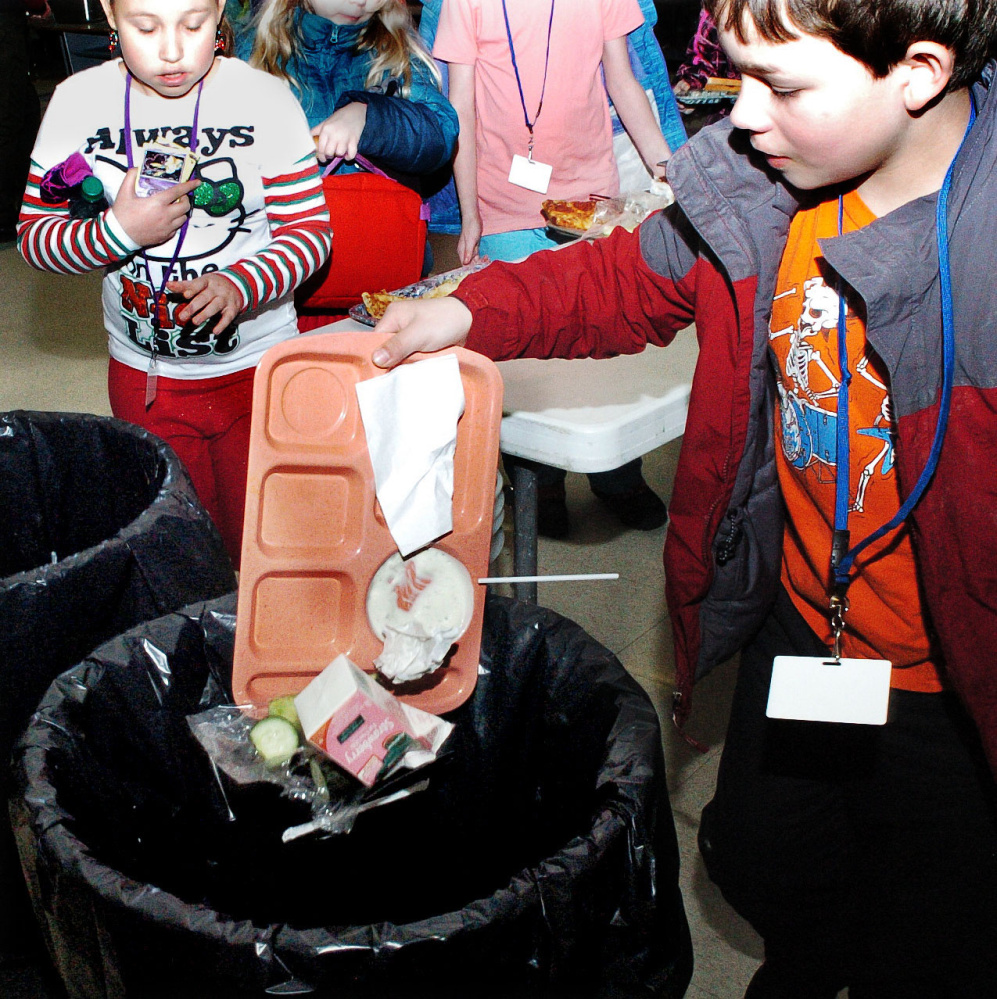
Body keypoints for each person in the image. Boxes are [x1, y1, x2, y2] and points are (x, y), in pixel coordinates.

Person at [367, 0, 997, 994]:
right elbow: (624, 281)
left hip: (953, 688)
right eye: (737, 76)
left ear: (917, 72)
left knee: (933, 923)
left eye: (780, 86)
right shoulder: (769, 188)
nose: (739, 118)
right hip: (808, 626)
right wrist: (464, 310)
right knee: (770, 859)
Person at [17, 0, 332, 568]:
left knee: (269, 544)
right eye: (145, 26)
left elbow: (310, 234)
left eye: (193, 25)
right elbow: (35, 239)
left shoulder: (265, 98)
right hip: (147, 381)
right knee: (176, 550)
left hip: (257, 373)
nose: (170, 50)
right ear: (111, 15)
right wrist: (118, 232)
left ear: (219, 12)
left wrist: (243, 283)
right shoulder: (76, 102)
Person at [428, 0, 677, 539]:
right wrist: (469, 213)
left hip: (590, 197)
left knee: (601, 343)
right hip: (501, 202)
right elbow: (461, 108)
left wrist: (667, 169)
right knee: (527, 354)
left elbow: (625, 83)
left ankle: (618, 477)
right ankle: (539, 483)